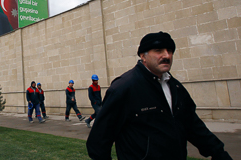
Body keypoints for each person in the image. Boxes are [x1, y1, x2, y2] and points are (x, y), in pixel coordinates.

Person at [86, 32, 232, 160]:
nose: (166, 55)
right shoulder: (124, 88)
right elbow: (99, 140)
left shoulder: (175, 86)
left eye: (169, 51)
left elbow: (193, 125)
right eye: (158, 50)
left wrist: (218, 152)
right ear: (143, 55)